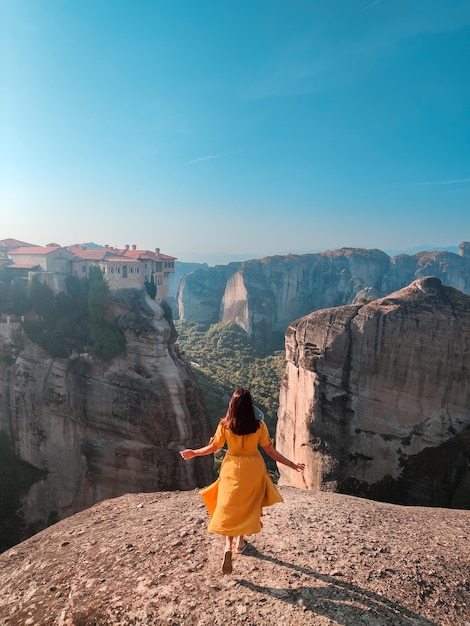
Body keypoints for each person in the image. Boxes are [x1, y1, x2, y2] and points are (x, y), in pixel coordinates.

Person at [180, 388, 305, 575]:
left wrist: (194, 453)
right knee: (247, 506)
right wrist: (292, 464)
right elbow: (271, 452)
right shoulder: (259, 425)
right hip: (253, 469)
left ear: (232, 405)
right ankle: (240, 543)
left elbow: (214, 447)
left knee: (230, 506)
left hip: (232, 467)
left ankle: (228, 546)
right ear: (249, 406)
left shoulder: (225, 425)